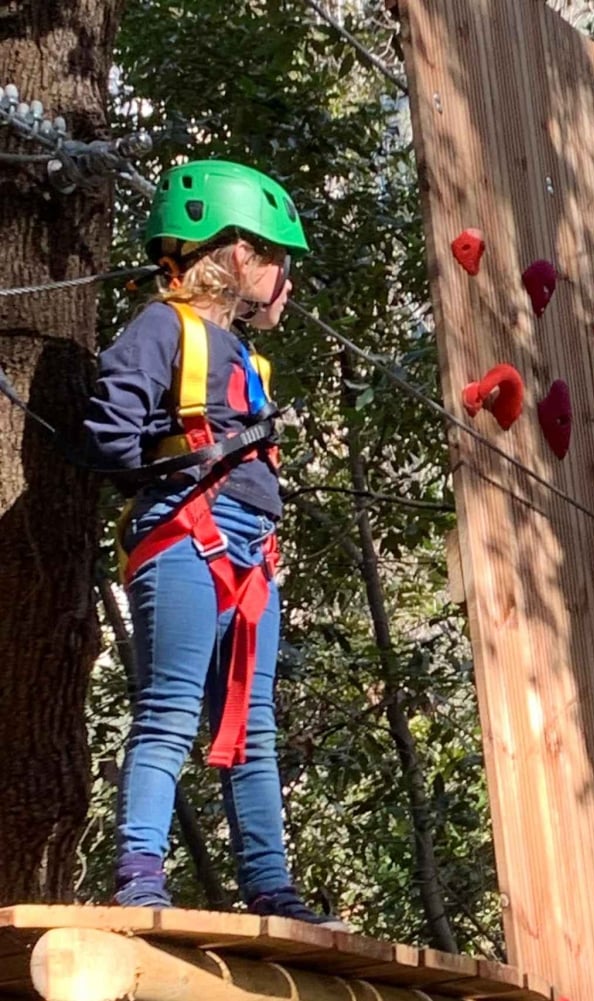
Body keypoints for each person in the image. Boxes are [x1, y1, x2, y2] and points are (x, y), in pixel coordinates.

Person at [85, 159, 343, 927]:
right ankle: (138, 877)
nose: (285, 279)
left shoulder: (245, 359)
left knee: (251, 726)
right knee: (167, 712)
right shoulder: (165, 326)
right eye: (277, 258)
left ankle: (272, 887)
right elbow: (110, 429)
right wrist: (167, 476)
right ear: (235, 254)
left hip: (252, 553)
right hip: (187, 538)